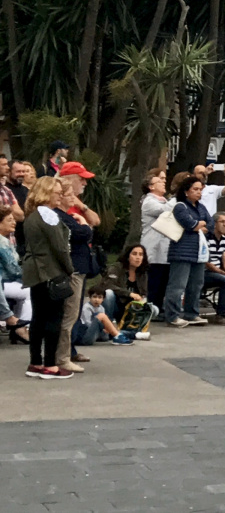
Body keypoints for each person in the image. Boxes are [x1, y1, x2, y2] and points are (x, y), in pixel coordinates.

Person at [21, 177, 74, 379]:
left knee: (38, 318)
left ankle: (35, 361)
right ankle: (50, 365)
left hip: (34, 271)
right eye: (57, 192)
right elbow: (60, 247)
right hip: (50, 271)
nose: (60, 196)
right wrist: (69, 269)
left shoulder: (32, 216)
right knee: (54, 317)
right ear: (46, 192)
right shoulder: (48, 215)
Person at [56, 162, 100, 372]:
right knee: (68, 312)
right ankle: (62, 355)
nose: (84, 182)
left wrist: (81, 207)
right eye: (80, 178)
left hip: (81, 261)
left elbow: (95, 221)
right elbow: (82, 232)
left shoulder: (76, 204)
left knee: (74, 310)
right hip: (70, 264)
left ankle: (69, 350)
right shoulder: (59, 211)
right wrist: (83, 226)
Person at [165, 175, 211, 328]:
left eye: (200, 189)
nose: (199, 192)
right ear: (186, 192)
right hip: (181, 251)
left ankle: (192, 313)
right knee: (178, 285)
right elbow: (190, 224)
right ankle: (172, 315)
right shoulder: (180, 206)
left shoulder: (201, 207)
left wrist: (200, 225)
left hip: (198, 252)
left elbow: (210, 224)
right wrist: (198, 225)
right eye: (195, 189)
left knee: (196, 284)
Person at [102, 243, 154, 338]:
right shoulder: (117, 267)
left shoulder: (142, 272)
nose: (138, 257)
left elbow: (144, 293)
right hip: (116, 305)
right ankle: (109, 325)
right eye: (134, 254)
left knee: (154, 310)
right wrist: (129, 294)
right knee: (108, 294)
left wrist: (141, 299)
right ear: (127, 256)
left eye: (141, 254)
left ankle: (128, 330)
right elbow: (107, 285)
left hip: (130, 309)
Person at [137, 170, 172, 308]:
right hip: (153, 245)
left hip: (165, 246)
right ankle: (152, 305)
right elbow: (165, 211)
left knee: (163, 278)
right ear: (151, 187)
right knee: (154, 279)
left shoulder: (165, 201)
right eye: (159, 181)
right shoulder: (149, 201)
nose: (164, 182)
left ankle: (159, 306)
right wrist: (176, 199)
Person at [1, 213, 31, 344]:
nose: (14, 222)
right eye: (9, 220)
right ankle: (22, 328)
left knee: (24, 290)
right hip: (4, 281)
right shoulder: (2, 242)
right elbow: (12, 269)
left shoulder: (5, 240)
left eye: (14, 220)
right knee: (30, 291)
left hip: (5, 281)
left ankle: (16, 326)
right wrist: (27, 277)